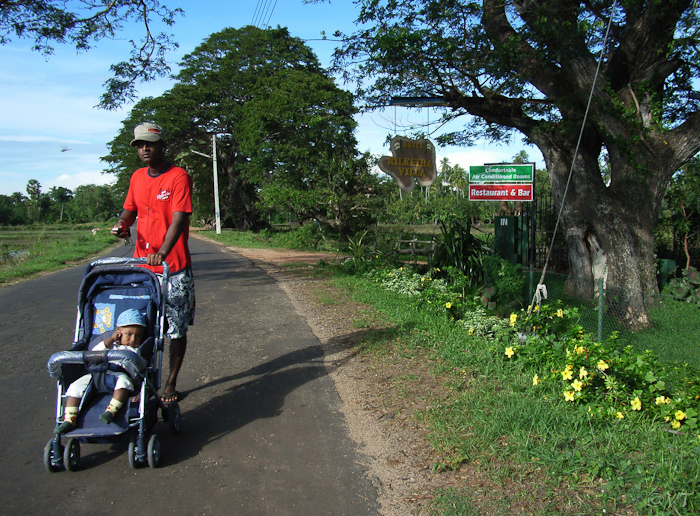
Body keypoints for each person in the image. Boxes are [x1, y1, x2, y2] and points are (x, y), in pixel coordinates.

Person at [111, 122, 195, 404]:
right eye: (139, 145)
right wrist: (122, 224)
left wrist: (162, 251)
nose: (144, 149)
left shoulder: (178, 177)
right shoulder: (137, 178)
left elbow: (179, 218)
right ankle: (139, 381)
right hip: (143, 270)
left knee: (175, 328)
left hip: (173, 267)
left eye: (150, 143)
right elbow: (130, 209)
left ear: (163, 146)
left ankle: (170, 383)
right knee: (140, 326)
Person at [56, 309, 147, 434]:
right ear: (118, 332)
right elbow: (94, 353)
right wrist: (111, 340)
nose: (133, 339)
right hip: (96, 373)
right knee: (74, 387)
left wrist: (138, 390)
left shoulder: (136, 352)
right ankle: (69, 419)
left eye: (138, 336)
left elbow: (139, 370)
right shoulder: (111, 345)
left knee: (124, 383)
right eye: (129, 334)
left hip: (118, 374)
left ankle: (111, 411)